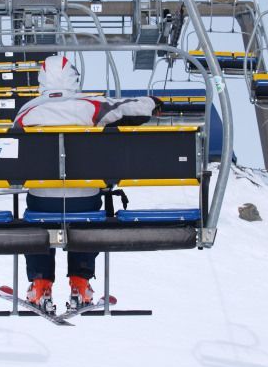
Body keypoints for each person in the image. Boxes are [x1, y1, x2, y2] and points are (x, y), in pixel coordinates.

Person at [12, 53, 160, 311]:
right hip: (85, 203)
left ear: (41, 81)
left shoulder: (26, 112)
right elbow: (130, 109)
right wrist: (153, 102)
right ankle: (80, 283)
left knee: (37, 220)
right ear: (74, 79)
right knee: (88, 216)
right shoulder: (91, 106)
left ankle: (39, 284)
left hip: (41, 204)